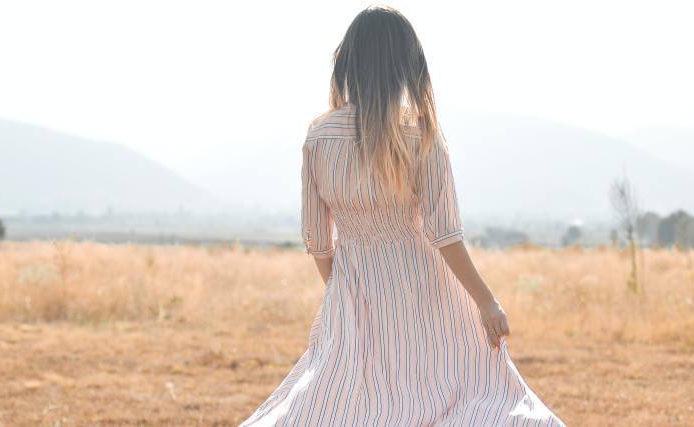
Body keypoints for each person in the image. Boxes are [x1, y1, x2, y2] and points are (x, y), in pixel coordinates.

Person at [240, 6, 564, 426]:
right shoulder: (421, 134)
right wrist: (486, 301)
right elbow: (445, 233)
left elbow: (317, 240)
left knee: (346, 401)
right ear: (407, 66)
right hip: (425, 291)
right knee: (462, 394)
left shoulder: (318, 136)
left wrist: (347, 293)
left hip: (352, 286)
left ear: (348, 63)